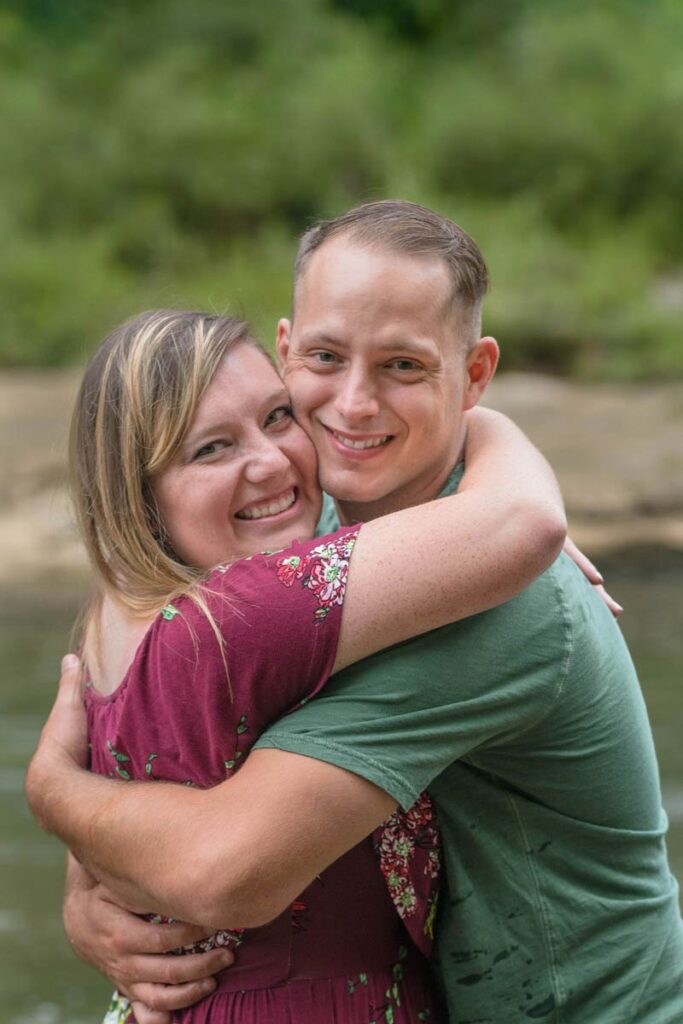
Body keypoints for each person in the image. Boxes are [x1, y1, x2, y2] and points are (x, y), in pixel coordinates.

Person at [28, 200, 683, 1023]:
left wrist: (55, 791)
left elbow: (220, 869)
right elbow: (170, 746)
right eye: (326, 357)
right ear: (283, 350)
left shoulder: (492, 600)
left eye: (403, 367)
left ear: (473, 375)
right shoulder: (318, 523)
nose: (354, 405)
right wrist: (90, 899)